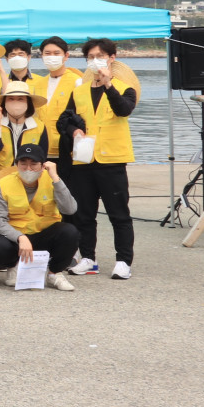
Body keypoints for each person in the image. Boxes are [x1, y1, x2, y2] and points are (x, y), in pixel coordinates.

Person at [54, 38, 139, 279]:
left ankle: (123, 261)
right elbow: (64, 120)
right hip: (83, 160)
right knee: (84, 214)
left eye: (100, 56)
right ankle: (88, 258)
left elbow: (123, 109)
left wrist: (108, 84)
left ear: (112, 58)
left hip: (112, 160)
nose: (95, 61)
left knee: (119, 214)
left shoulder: (125, 88)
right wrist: (74, 131)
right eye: (90, 57)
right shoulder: (79, 90)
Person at [0, 142, 81, 291]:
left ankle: (54, 273)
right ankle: (14, 266)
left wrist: (55, 178)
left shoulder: (52, 180)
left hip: (45, 235)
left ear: (43, 165)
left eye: (34, 164)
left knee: (70, 232)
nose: (28, 168)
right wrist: (20, 237)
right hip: (17, 238)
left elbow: (70, 209)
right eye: (23, 163)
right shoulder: (3, 184)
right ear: (16, 164)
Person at [0, 82, 51, 171]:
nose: (15, 103)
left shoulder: (39, 126)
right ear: (4, 103)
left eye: (20, 99)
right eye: (11, 99)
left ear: (28, 103)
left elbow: (42, 157)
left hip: (27, 174)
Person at [32, 37, 80, 127]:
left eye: (56, 53)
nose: (52, 57)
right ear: (42, 56)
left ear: (66, 56)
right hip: (42, 134)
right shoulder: (39, 84)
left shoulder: (77, 82)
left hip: (65, 134)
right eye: (47, 53)